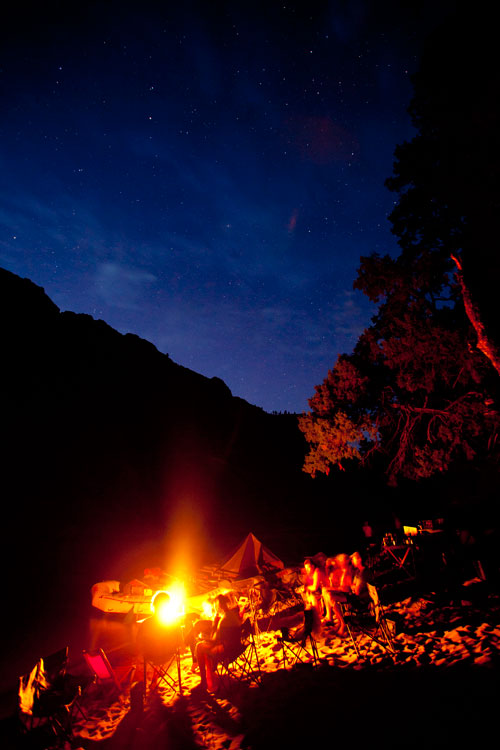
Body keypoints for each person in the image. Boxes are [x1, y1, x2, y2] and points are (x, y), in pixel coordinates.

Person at [195, 594, 242, 692]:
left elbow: (215, 639)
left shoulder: (223, 620)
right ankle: (211, 672)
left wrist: (214, 625)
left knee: (199, 646)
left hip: (227, 651)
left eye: (216, 606)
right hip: (238, 647)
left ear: (219, 606)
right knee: (204, 643)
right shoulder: (233, 614)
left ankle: (204, 681)